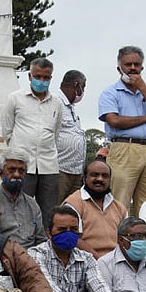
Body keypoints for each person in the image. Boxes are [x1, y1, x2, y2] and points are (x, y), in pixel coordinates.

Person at [98, 46, 146, 214]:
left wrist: (143, 88)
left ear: (142, 67)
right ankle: (118, 238)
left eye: (137, 64)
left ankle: (142, 239)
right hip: (124, 148)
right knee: (120, 201)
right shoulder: (110, 93)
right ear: (119, 68)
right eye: (128, 64)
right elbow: (114, 121)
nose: (132, 68)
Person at [0, 57, 64, 219]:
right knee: (20, 208)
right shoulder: (14, 99)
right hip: (22, 166)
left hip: (48, 165)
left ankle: (45, 243)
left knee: (49, 212)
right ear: (30, 76)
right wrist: (18, 154)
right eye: (38, 77)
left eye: (46, 78)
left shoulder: (56, 103)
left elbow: (55, 133)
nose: (41, 81)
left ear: (51, 78)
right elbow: (8, 131)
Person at [62, 159, 128, 258]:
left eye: (105, 176)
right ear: (84, 179)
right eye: (94, 175)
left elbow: (127, 238)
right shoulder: (73, 204)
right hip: (84, 261)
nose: (100, 179)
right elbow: (72, 238)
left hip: (116, 262)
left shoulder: (119, 207)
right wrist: (101, 261)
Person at [0, 148, 46, 249]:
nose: (17, 175)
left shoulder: (32, 204)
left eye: (21, 171)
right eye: (11, 170)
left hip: (31, 258)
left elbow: (41, 240)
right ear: (1, 173)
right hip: (2, 256)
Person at [56, 70, 88, 202]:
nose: (83, 91)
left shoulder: (71, 108)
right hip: (60, 169)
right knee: (54, 209)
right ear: (76, 85)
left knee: (72, 209)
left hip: (76, 172)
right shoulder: (56, 103)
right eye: (83, 86)